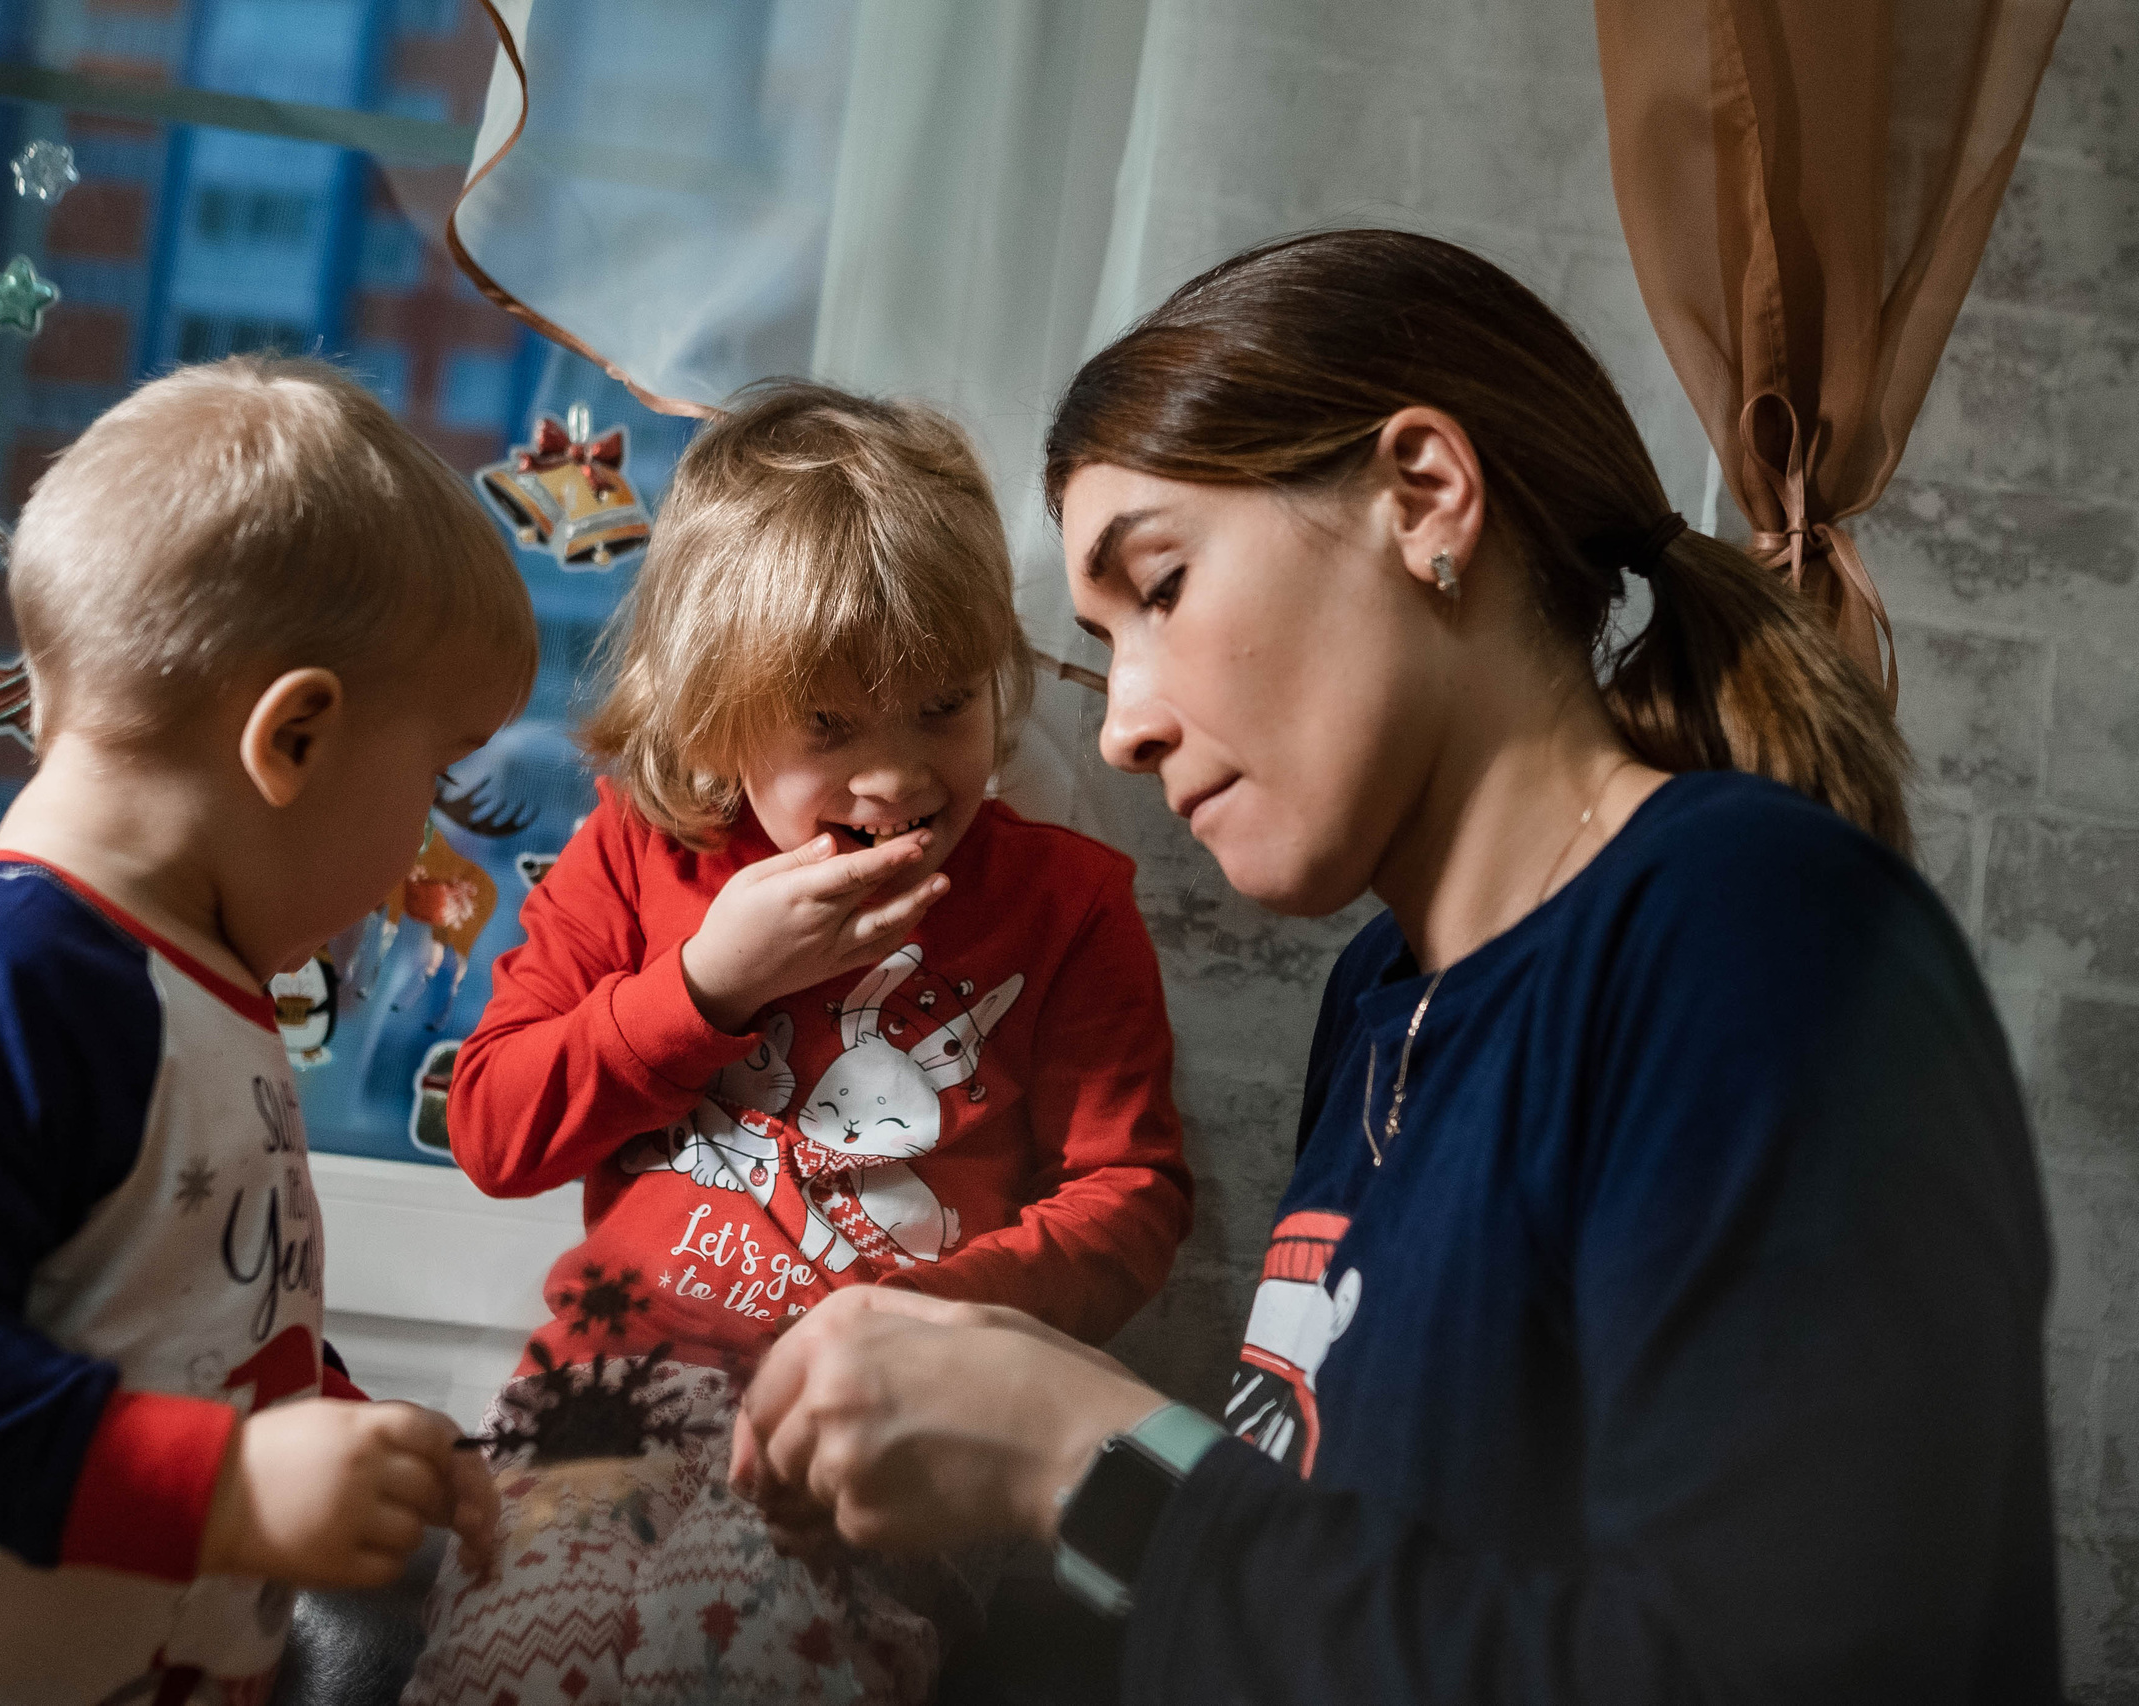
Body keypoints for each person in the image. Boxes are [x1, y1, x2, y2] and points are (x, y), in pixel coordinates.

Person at [732, 230, 2059, 1704]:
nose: (1123, 724)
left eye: (1160, 586)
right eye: (1105, 645)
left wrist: (1084, 1450)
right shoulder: (1376, 1003)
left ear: (1424, 496)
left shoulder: (1757, 937)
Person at [0, 357, 523, 1706]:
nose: (418, 844)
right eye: (431, 775)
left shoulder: (190, 981)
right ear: (293, 737)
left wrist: (338, 1430)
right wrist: (224, 1481)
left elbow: (179, 1298)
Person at [407, 381, 1195, 1706]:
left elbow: (1135, 1194)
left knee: (754, 1652)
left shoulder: (1067, 905)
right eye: (829, 727)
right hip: (599, 1396)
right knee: (508, 1663)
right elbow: (493, 1125)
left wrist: (920, 1326)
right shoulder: (638, 857)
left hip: (881, 1423)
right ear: (719, 717)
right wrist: (709, 984)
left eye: (942, 707)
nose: (895, 779)